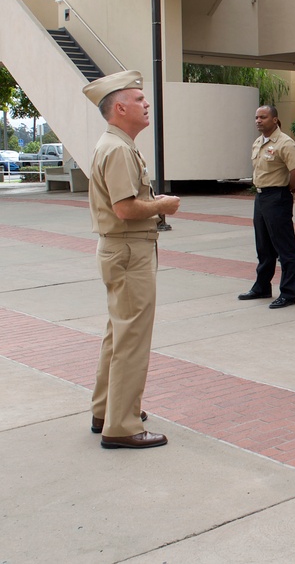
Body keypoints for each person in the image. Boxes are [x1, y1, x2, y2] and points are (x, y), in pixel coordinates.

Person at [83, 70, 180, 449]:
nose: (146, 104)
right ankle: (122, 426)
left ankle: (106, 409)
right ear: (119, 107)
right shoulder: (118, 148)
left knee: (118, 333)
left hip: (122, 249)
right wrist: (163, 205)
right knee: (131, 338)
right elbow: (125, 209)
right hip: (128, 249)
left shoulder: (117, 144)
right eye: (139, 99)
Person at [240, 105, 295, 309]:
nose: (258, 120)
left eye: (263, 117)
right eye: (257, 117)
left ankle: (288, 293)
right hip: (261, 197)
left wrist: (286, 190)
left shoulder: (285, 143)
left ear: (275, 119)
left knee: (285, 248)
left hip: (277, 196)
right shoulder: (258, 142)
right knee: (264, 246)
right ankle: (262, 286)